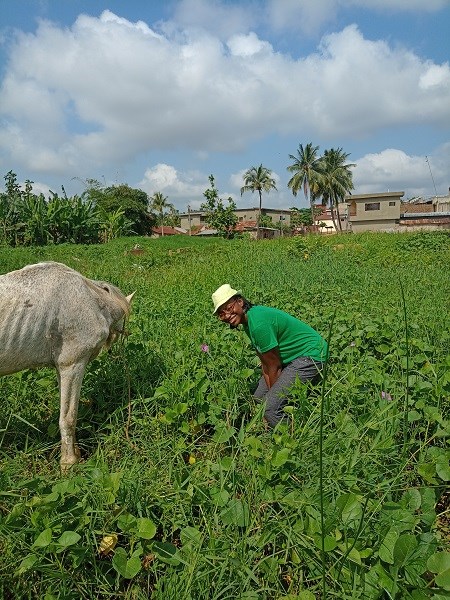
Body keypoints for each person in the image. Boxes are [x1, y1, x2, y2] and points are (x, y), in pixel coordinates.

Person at [212, 284, 328, 428]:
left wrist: (275, 399)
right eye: (221, 314)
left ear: (240, 302)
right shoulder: (249, 321)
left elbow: (274, 366)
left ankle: (296, 435)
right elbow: (265, 364)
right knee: (258, 399)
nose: (227, 316)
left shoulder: (259, 323)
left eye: (229, 308)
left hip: (311, 355)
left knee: (269, 409)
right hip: (293, 358)